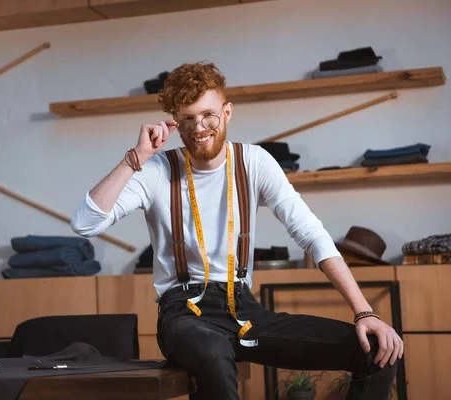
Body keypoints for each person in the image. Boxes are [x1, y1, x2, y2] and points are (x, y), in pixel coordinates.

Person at [70, 61, 403, 400]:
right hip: (183, 312)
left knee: (376, 350)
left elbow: (312, 234)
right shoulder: (156, 169)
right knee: (213, 350)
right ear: (176, 123)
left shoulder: (254, 162)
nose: (200, 128)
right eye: (188, 119)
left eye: (209, 115)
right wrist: (134, 159)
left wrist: (365, 312)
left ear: (227, 112)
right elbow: (85, 222)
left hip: (243, 309)